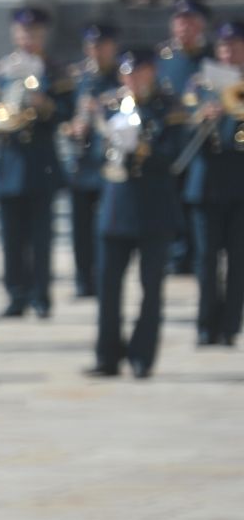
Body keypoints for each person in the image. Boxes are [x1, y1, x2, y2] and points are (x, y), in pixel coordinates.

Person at [89, 47, 186, 379]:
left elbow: (173, 156)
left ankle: (142, 355)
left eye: (140, 72)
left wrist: (142, 146)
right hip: (116, 207)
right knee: (108, 286)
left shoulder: (168, 108)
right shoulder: (109, 105)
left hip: (153, 209)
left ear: (152, 72)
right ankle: (107, 355)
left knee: (151, 287)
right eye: (128, 73)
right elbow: (93, 157)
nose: (134, 79)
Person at [0, 7, 74, 320]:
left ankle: (41, 295)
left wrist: (43, 103)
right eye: (22, 32)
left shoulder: (55, 71)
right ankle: (15, 294)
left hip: (40, 161)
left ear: (43, 35)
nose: (27, 38)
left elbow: (66, 112)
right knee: (11, 237)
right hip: (9, 161)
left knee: (40, 236)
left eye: (33, 33)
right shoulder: (2, 70)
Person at [185, 22, 244, 348]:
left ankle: (230, 324)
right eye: (223, 47)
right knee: (206, 259)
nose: (228, 52)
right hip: (206, 183)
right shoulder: (199, 83)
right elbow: (181, 130)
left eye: (235, 46)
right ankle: (205, 324)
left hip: (240, 183)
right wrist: (202, 117)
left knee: (237, 261)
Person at [65, 24, 121, 301]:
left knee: (105, 227)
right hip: (81, 162)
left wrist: (100, 110)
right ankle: (82, 279)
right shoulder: (79, 78)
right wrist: (73, 126)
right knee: (80, 228)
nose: (96, 52)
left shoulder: (120, 78)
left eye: (102, 46)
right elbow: (63, 114)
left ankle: (103, 277)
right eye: (92, 46)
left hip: (108, 162)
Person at [158, 0, 213, 276]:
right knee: (172, 201)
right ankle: (177, 253)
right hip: (172, 143)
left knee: (198, 202)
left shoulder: (212, 58)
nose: (184, 27)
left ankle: (197, 252)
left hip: (204, 144)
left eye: (191, 22)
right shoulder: (163, 60)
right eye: (180, 21)